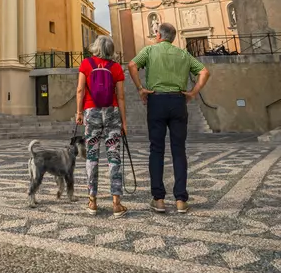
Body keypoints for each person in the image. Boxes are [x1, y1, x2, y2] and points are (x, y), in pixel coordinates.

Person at [128, 23, 210, 214]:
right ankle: (181, 199)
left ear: (158, 35)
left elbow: (132, 65)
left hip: (156, 100)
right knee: (179, 150)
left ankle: (159, 199)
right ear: (173, 38)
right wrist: (193, 92)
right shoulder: (183, 54)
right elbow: (205, 72)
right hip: (178, 101)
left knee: (156, 150)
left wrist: (141, 88)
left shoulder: (149, 50)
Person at [76, 35, 128, 218]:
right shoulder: (115, 68)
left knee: (91, 156)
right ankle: (116, 203)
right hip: (112, 113)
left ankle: (92, 201)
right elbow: (121, 96)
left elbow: (80, 90)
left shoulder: (86, 64)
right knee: (114, 157)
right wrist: (124, 121)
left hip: (92, 112)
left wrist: (79, 113)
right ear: (111, 50)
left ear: (95, 47)